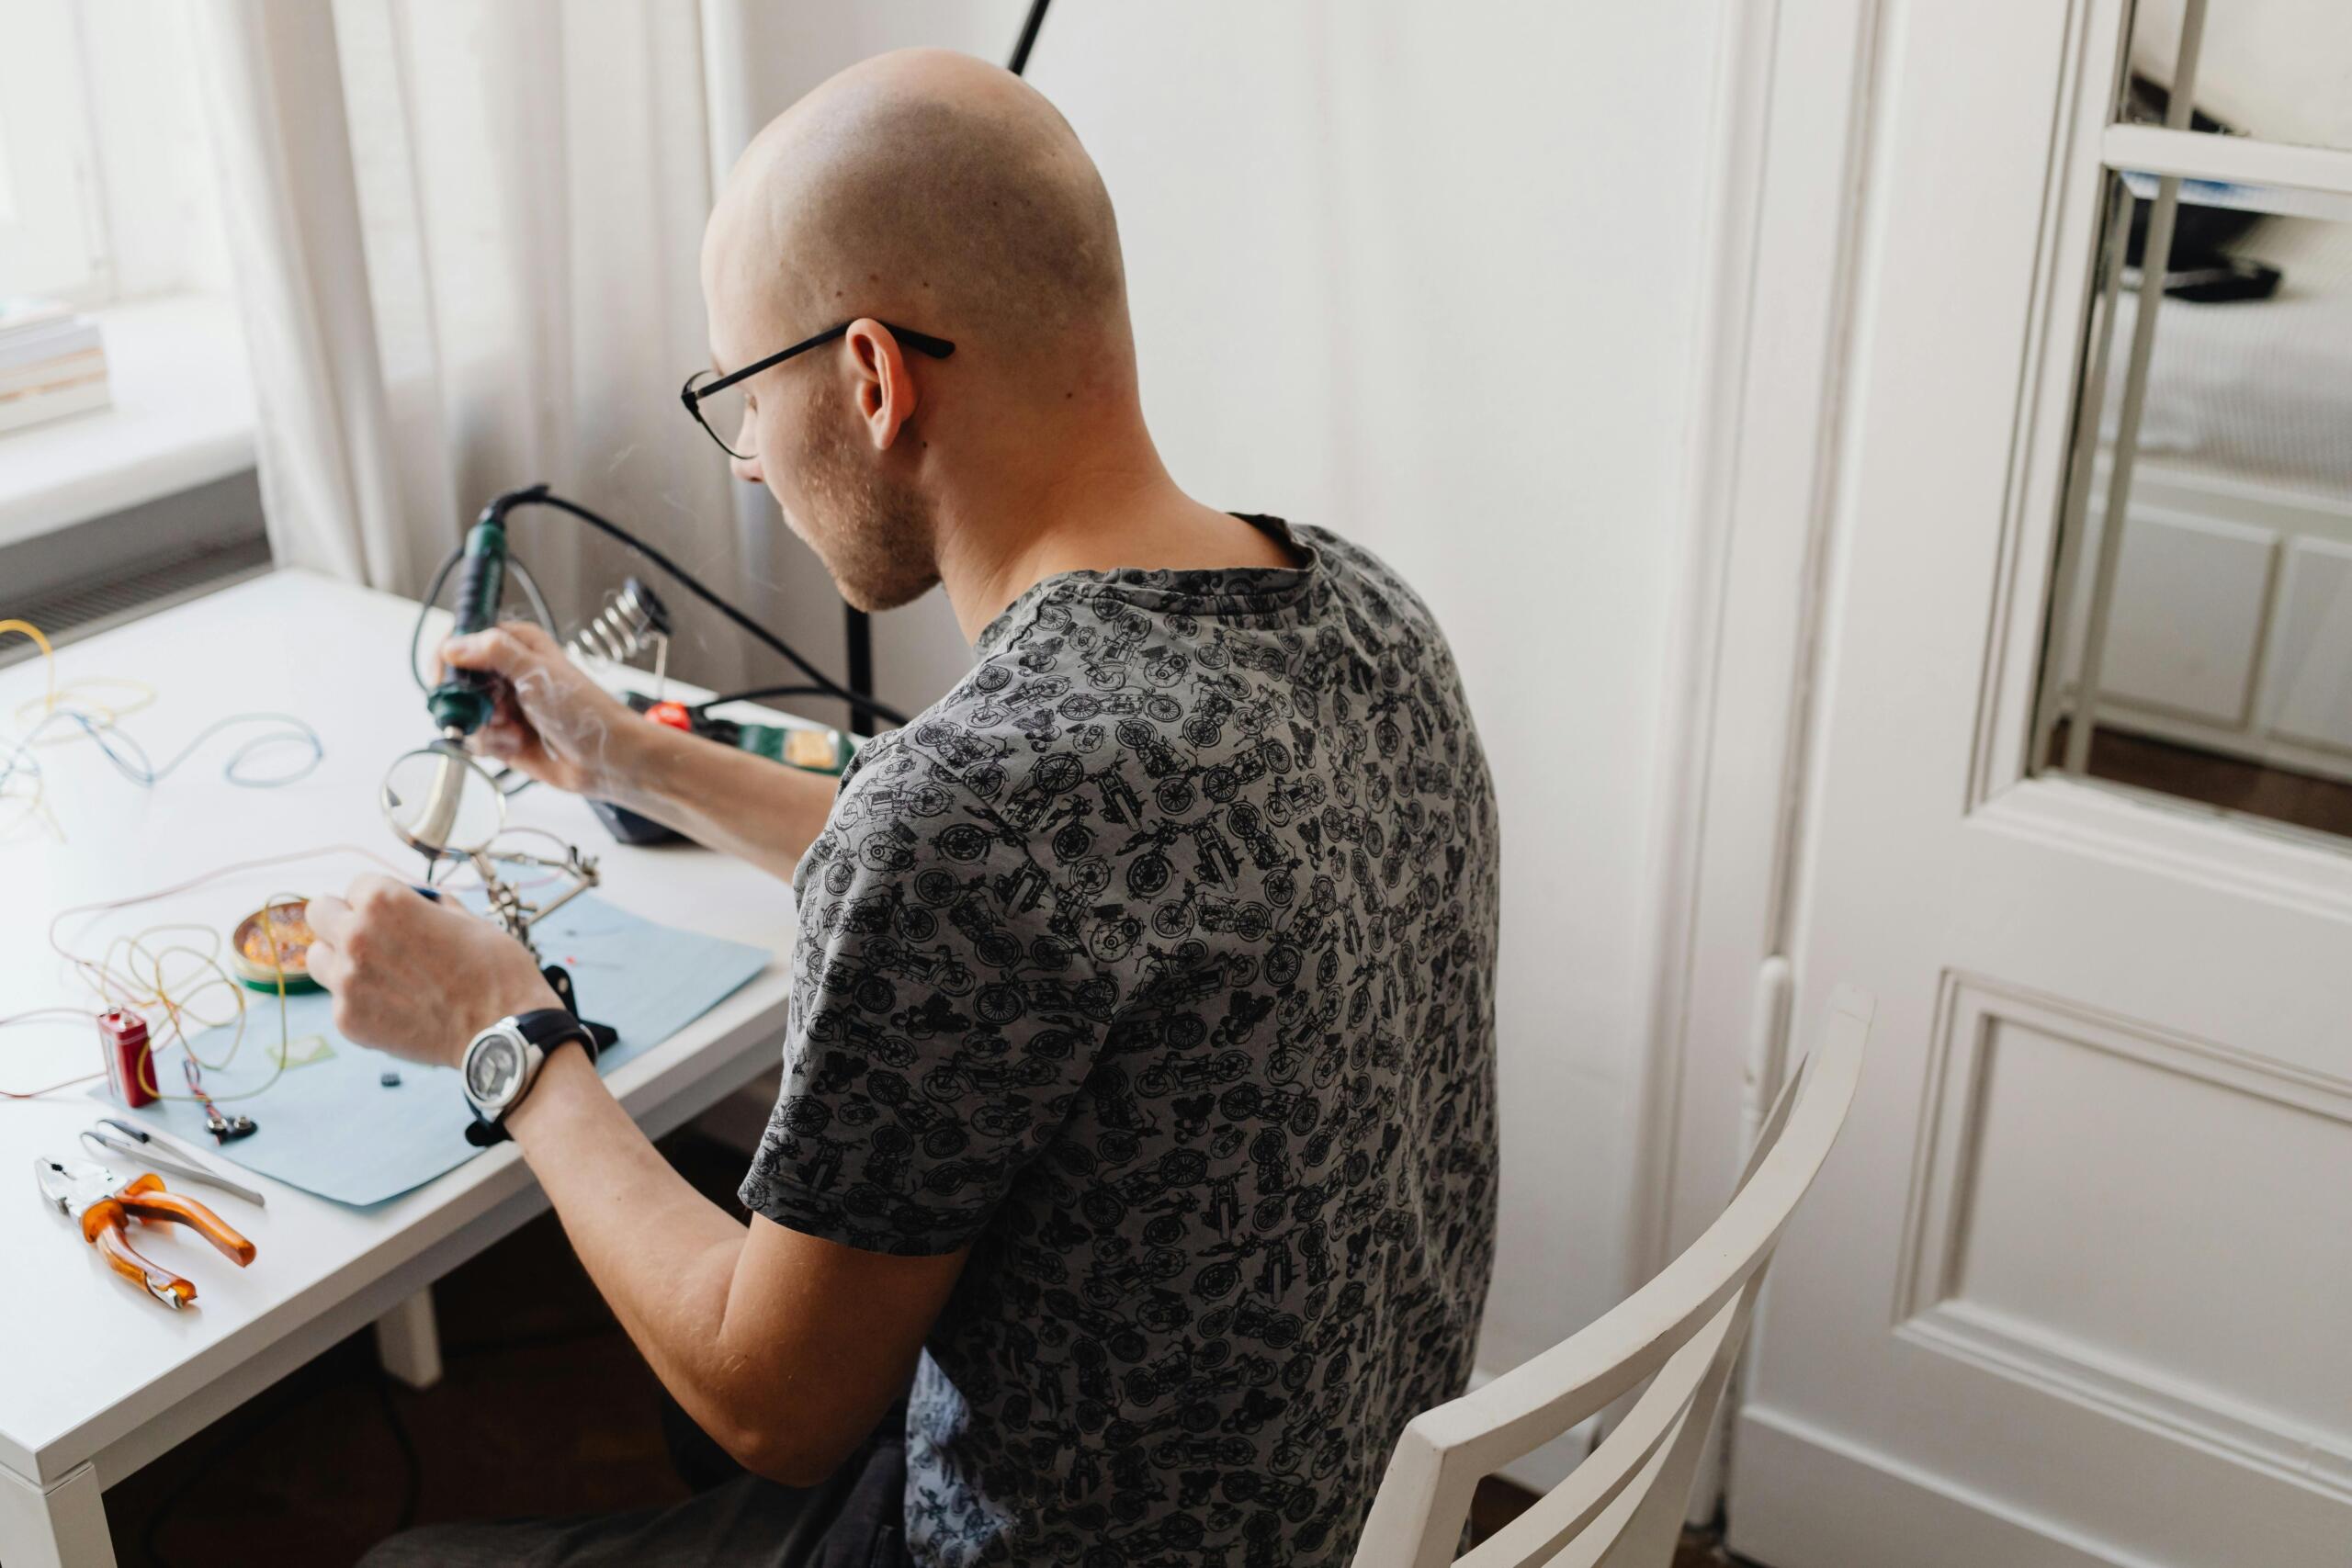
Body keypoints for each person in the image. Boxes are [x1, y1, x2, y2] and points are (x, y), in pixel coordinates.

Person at [316, 46, 1499, 1568]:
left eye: (745, 397)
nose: (750, 463)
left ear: (873, 380)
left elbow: (771, 1403)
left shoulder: (972, 820)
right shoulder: (1366, 610)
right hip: (1329, 1490)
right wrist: (631, 761)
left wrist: (503, 1031)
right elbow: (1059, 898)